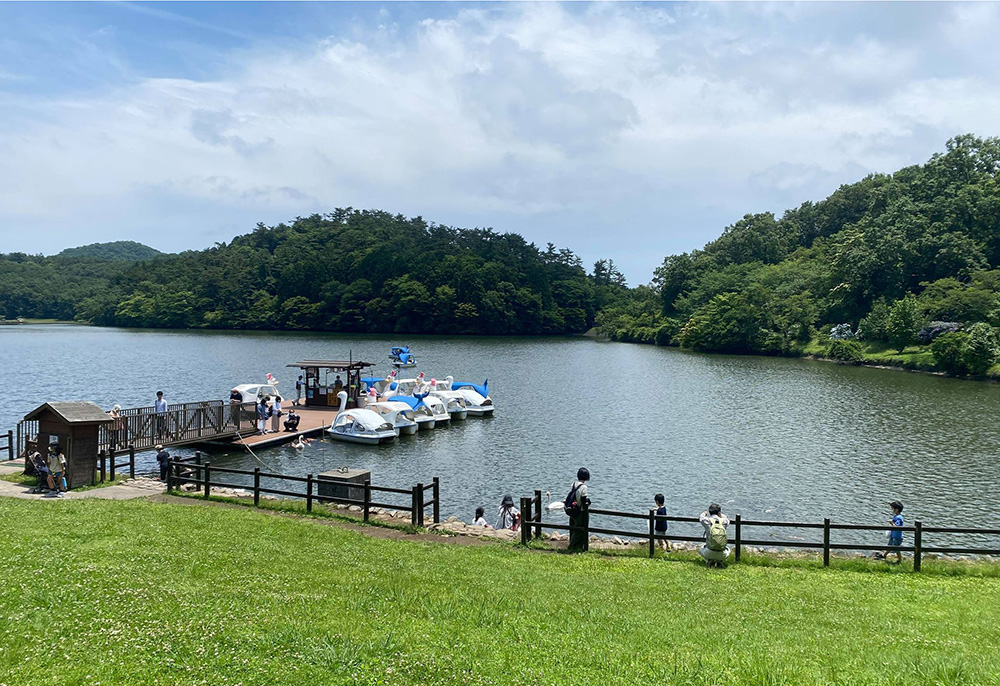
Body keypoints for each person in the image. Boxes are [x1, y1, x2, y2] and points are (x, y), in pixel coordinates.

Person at [566, 467, 591, 552]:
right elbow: (583, 500)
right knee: (580, 529)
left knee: (573, 527)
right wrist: (587, 503)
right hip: (579, 511)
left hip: (572, 509)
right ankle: (573, 546)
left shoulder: (573, 484)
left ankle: (575, 545)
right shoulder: (584, 487)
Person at [699, 503, 731, 567]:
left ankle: (709, 560)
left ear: (710, 512)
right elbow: (727, 518)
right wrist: (720, 514)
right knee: (728, 549)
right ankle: (719, 560)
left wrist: (704, 513)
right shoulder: (724, 521)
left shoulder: (706, 521)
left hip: (709, 552)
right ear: (719, 513)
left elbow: (701, 517)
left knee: (700, 549)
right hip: (722, 554)